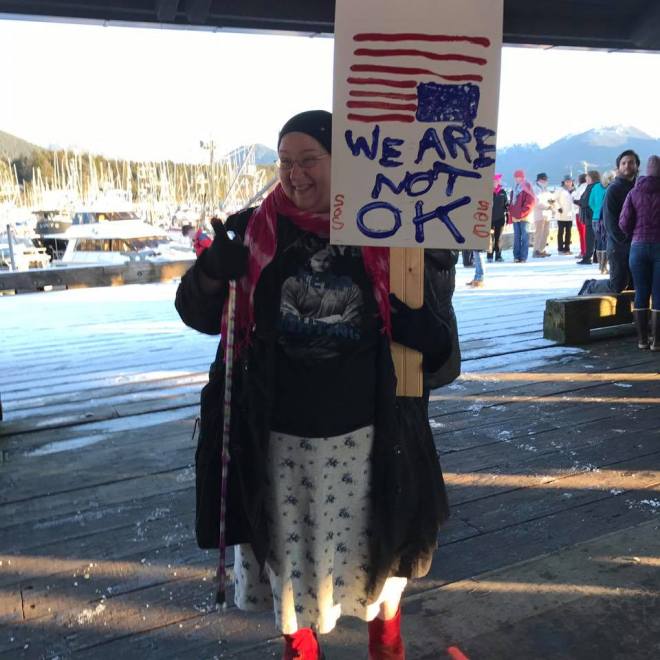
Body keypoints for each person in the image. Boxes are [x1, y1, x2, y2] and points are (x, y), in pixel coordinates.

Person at [175, 110, 459, 660]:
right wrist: (213, 271)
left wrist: (409, 317)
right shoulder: (252, 229)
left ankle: (388, 651)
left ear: (342, 163)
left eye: (309, 160)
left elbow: (440, 348)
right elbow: (199, 313)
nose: (295, 174)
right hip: (277, 437)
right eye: (285, 162)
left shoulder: (390, 231)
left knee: (379, 561)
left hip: (367, 436)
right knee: (287, 564)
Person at [619, 155, 660, 350]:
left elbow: (623, 223)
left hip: (638, 247)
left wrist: (635, 234)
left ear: (645, 171)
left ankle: (642, 340)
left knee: (641, 292)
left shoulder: (634, 193)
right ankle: (657, 342)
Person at [603, 149, 640, 291]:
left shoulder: (639, 188)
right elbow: (609, 221)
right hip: (618, 245)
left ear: (637, 166)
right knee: (617, 285)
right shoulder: (613, 189)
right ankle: (590, 286)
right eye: (623, 163)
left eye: (631, 162)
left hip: (637, 244)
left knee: (634, 285)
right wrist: (624, 240)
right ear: (618, 168)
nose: (627, 165)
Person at [588, 170, 614, 273]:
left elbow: (591, 202)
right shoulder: (611, 188)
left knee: (599, 241)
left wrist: (596, 210)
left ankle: (601, 266)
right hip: (606, 218)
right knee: (606, 241)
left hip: (595, 219)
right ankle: (604, 267)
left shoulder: (596, 187)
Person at [509, 169, 535, 263]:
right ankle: (516, 256)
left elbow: (530, 202)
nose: (517, 179)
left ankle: (523, 257)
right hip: (515, 217)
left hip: (525, 217)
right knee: (516, 237)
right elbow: (511, 203)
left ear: (523, 177)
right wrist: (512, 213)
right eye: (515, 177)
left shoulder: (527, 187)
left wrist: (521, 214)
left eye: (519, 177)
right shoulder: (514, 188)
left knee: (524, 237)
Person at [576, 171, 600, 266]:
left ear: (590, 178)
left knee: (589, 237)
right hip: (597, 215)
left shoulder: (591, 187)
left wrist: (578, 202)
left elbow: (586, 201)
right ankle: (596, 257)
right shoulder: (600, 186)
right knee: (597, 238)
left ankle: (587, 258)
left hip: (590, 216)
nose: (586, 179)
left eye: (587, 177)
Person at [532, 172, 553, 258]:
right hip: (539, 213)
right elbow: (536, 202)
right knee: (539, 233)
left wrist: (552, 203)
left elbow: (550, 199)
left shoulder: (545, 189)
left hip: (547, 214)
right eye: (545, 179)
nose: (546, 181)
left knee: (545, 233)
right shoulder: (536, 189)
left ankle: (542, 249)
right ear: (541, 180)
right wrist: (547, 206)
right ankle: (536, 250)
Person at [488, 173, 508, 262]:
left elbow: (506, 205)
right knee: (490, 238)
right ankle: (489, 256)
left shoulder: (503, 192)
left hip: (500, 219)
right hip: (489, 220)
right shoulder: (487, 192)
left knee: (499, 238)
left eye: (497, 180)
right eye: (494, 180)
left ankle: (498, 256)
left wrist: (508, 215)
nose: (496, 182)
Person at [555, 175, 575, 254]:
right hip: (561, 215)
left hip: (570, 215)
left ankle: (567, 249)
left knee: (568, 232)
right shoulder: (560, 190)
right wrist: (558, 207)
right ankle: (560, 249)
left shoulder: (574, 190)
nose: (569, 183)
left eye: (570, 181)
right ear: (564, 182)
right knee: (560, 232)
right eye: (567, 181)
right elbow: (554, 199)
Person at [572, 173, 588, 259]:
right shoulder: (587, 187)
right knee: (585, 233)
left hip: (580, 213)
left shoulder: (581, 187)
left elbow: (576, 200)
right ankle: (585, 250)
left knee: (582, 233)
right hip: (584, 213)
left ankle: (583, 251)